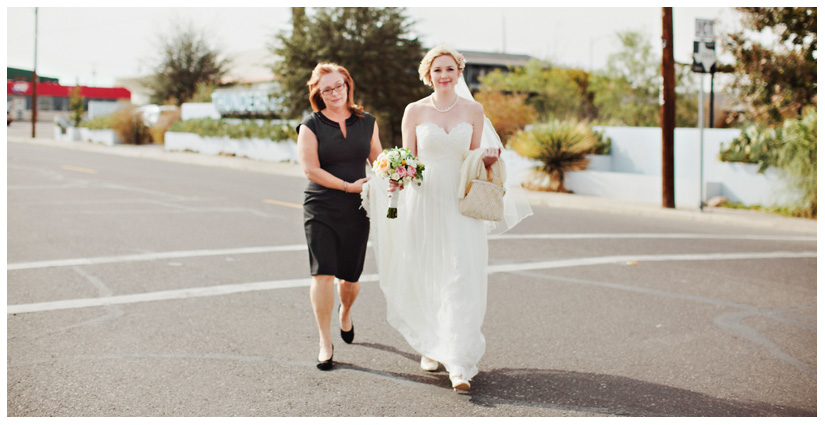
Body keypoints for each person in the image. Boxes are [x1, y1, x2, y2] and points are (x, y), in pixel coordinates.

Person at [368, 46, 532, 390]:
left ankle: (458, 359)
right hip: (424, 198)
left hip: (459, 201)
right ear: (428, 74)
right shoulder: (414, 111)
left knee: (460, 274)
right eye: (437, 70)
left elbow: (474, 159)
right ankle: (431, 344)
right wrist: (396, 174)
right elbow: (409, 157)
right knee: (427, 271)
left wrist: (487, 160)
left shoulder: (474, 110)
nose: (444, 75)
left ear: (459, 73)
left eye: (450, 69)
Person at [296, 63, 383, 370]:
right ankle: (324, 340)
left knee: (350, 279)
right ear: (318, 93)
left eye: (339, 86)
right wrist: (348, 186)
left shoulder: (367, 121)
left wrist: (398, 173)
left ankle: (345, 312)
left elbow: (379, 161)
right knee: (322, 274)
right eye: (327, 89)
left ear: (348, 84)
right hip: (321, 207)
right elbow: (311, 169)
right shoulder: (311, 125)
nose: (334, 93)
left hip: (358, 209)